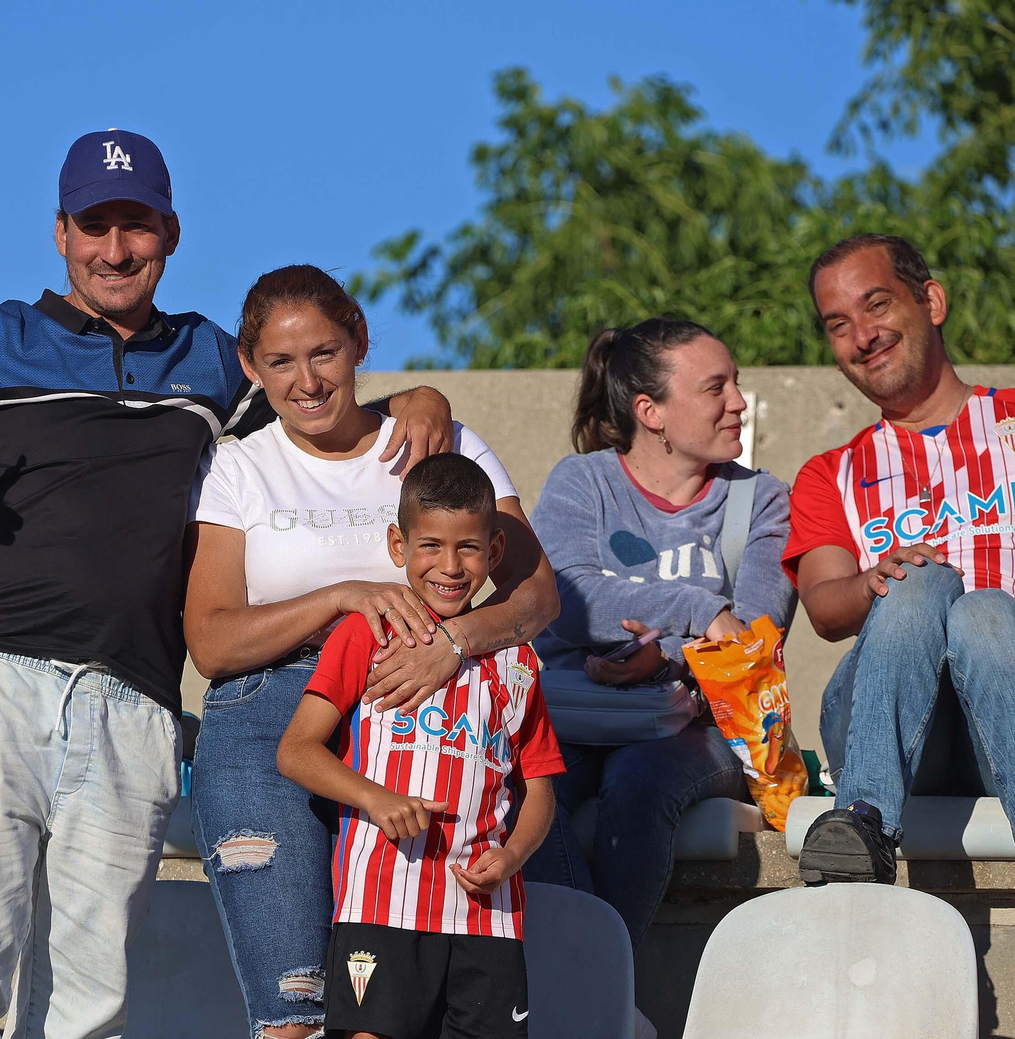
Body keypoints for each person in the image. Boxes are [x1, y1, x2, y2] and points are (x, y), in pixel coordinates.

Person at [0, 133, 452, 1039]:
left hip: (136, 702)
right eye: (95, 225)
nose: (116, 248)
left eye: (136, 225)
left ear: (171, 234)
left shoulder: (213, 359)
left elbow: (322, 417)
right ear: (61, 233)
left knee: (93, 1004)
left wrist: (417, 402)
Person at [182, 265, 559, 1039]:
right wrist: (340, 596)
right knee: (295, 1011)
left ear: (358, 339)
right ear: (251, 368)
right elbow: (211, 641)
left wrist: (454, 642)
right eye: (280, 362)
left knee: (409, 1006)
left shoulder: (436, 440)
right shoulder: (237, 468)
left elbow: (537, 598)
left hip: (420, 712)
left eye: (324, 352)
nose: (307, 380)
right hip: (269, 717)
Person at [786, 233, 1015, 983]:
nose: (861, 335)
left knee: (987, 608)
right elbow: (825, 608)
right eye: (837, 324)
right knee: (919, 583)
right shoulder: (832, 472)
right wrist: (874, 579)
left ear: (933, 300)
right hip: (900, 737)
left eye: (877, 303)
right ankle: (862, 827)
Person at [522, 318, 797, 949]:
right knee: (525, 791)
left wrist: (661, 663)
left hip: (695, 725)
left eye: (738, 384)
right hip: (575, 712)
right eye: (715, 388)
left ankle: (601, 990)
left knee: (640, 783)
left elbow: (756, 636)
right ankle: (588, 987)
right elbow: (564, 601)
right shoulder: (581, 480)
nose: (737, 403)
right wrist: (697, 610)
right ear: (651, 411)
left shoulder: (763, 500)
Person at [276, 453, 564, 1039]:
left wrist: (511, 858)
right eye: (430, 545)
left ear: (495, 554)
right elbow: (297, 750)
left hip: (488, 918)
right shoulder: (368, 633)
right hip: (381, 905)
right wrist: (375, 798)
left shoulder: (518, 661)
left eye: (469, 548)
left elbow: (539, 789)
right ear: (397, 545)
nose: (450, 566)